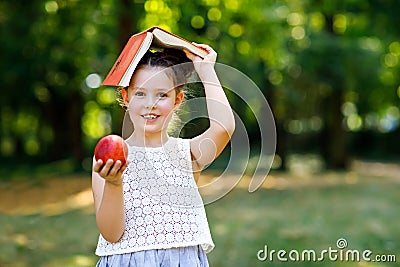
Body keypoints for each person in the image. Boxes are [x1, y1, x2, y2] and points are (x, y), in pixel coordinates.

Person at [92, 42, 235, 266]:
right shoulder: (112, 159)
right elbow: (112, 234)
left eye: (162, 95)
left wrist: (206, 70)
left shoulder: (187, 154)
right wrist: (114, 183)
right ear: (126, 97)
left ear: (177, 100)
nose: (151, 104)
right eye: (140, 93)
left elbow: (224, 126)